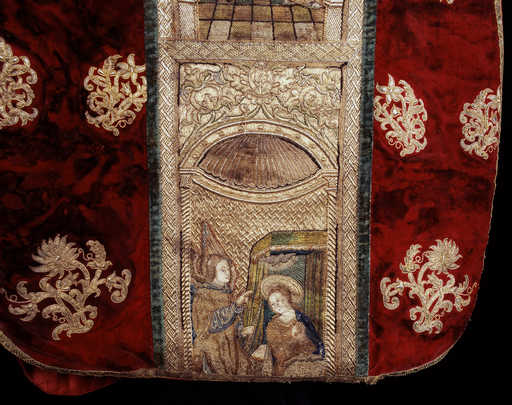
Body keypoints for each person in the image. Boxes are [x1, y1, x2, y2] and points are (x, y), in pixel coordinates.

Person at [191, 254, 254, 375]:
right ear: (212, 271)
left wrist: (242, 332)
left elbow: (231, 325)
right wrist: (236, 305)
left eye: (228, 269)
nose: (228, 273)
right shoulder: (203, 294)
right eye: (223, 269)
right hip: (213, 348)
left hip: (230, 347)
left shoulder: (226, 294)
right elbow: (211, 323)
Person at [251, 275, 324, 376]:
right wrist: (293, 338)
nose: (276, 305)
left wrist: (303, 339)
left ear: (287, 297)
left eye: (278, 300)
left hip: (308, 359)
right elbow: (276, 350)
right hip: (285, 363)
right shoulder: (273, 324)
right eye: (273, 304)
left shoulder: (302, 318)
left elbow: (315, 341)